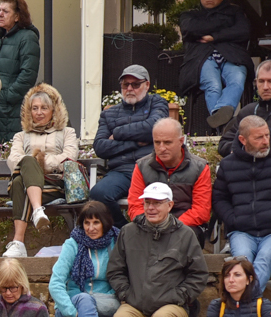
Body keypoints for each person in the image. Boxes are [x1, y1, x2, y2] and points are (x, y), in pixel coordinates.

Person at [109, 181, 210, 317]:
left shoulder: (185, 235)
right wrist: (126, 293)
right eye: (147, 202)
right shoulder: (128, 232)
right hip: (136, 303)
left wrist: (179, 296)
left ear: (170, 205)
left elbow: (199, 274)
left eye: (157, 203)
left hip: (172, 305)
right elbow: (115, 270)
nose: (151, 208)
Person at [48, 200, 120, 317]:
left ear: (105, 223)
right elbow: (55, 283)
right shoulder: (73, 244)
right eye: (87, 223)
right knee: (84, 303)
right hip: (71, 308)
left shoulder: (116, 242)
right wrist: (74, 311)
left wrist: (84, 314)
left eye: (96, 222)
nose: (90, 228)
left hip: (106, 305)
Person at [1, 84, 79, 258]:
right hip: (31, 186)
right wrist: (31, 163)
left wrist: (39, 163)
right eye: (35, 108)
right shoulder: (21, 136)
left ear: (54, 110)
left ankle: (18, 243)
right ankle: (38, 210)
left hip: (54, 185)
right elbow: (13, 160)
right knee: (22, 175)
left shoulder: (67, 132)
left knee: (20, 181)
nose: (39, 112)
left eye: (44, 108)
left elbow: (69, 157)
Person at [88, 66, 169, 224]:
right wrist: (136, 142)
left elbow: (154, 128)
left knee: (166, 194)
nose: (130, 89)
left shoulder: (157, 103)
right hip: (122, 170)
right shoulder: (108, 114)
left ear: (147, 85)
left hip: (152, 168)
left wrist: (117, 133)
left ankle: (155, 233)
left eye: (136, 84)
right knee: (98, 194)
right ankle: (123, 232)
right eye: (126, 84)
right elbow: (100, 147)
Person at [126, 119, 212, 243]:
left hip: (185, 225)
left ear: (181, 141)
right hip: (149, 223)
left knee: (186, 236)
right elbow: (135, 206)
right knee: (129, 233)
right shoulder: (141, 166)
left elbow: (201, 210)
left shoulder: (200, 167)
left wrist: (171, 226)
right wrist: (152, 226)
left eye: (167, 142)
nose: (161, 148)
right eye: (157, 142)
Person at [213, 115, 271, 291]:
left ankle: (245, 301)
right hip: (241, 231)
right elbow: (219, 198)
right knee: (242, 262)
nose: (265, 141)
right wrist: (233, 220)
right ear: (242, 139)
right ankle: (250, 302)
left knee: (265, 259)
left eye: (267, 135)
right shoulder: (227, 165)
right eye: (259, 137)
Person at [179, 0, 253, 130]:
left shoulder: (235, 12)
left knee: (237, 80)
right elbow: (189, 29)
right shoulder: (189, 15)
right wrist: (224, 22)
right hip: (202, 57)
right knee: (213, 85)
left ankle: (219, 118)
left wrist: (215, 37)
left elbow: (243, 31)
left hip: (232, 56)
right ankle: (223, 125)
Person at [0, 0, 41, 143]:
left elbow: (28, 75)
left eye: (5, 11)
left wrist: (5, 97)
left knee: (5, 152)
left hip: (10, 110)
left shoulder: (28, 37)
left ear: (17, 16)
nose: (0, 14)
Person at [217, 59, 271, 158]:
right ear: (256, 83)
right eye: (261, 81)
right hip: (248, 166)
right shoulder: (248, 112)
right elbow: (223, 144)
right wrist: (246, 149)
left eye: (270, 81)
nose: (265, 87)